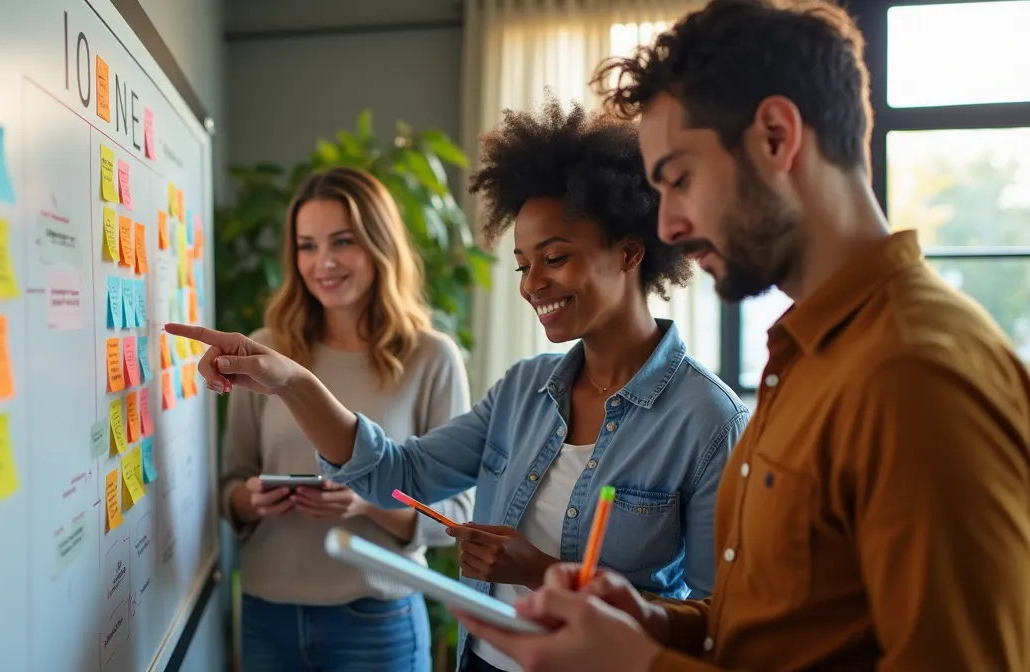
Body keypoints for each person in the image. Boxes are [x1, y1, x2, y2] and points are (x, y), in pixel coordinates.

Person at [455, 1, 1030, 670]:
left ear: (777, 138)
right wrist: (653, 624)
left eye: (679, 180)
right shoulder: (808, 356)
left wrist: (639, 666)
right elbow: (785, 634)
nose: (666, 225)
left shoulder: (916, 374)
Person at [170, 99, 749, 672]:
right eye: (524, 264)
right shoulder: (524, 390)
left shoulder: (707, 422)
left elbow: (713, 621)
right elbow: (394, 472)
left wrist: (540, 570)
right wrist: (290, 380)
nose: (532, 285)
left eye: (554, 257)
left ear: (628, 251)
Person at [221, 167, 475, 672]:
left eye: (343, 242)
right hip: (267, 614)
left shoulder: (431, 357)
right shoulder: (265, 351)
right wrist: (251, 498)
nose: (325, 262)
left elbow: (457, 516)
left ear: (380, 245)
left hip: (378, 619)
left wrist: (366, 501)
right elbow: (229, 483)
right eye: (307, 246)